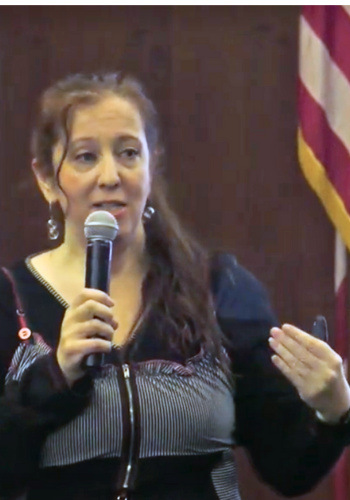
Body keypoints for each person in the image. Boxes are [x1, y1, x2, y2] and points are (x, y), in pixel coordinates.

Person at [0, 72, 349, 500]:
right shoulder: (9, 297)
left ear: (151, 165)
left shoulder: (218, 289)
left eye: (128, 153)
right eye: (85, 157)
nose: (111, 176)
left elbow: (288, 468)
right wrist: (54, 377)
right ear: (47, 179)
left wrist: (331, 409)